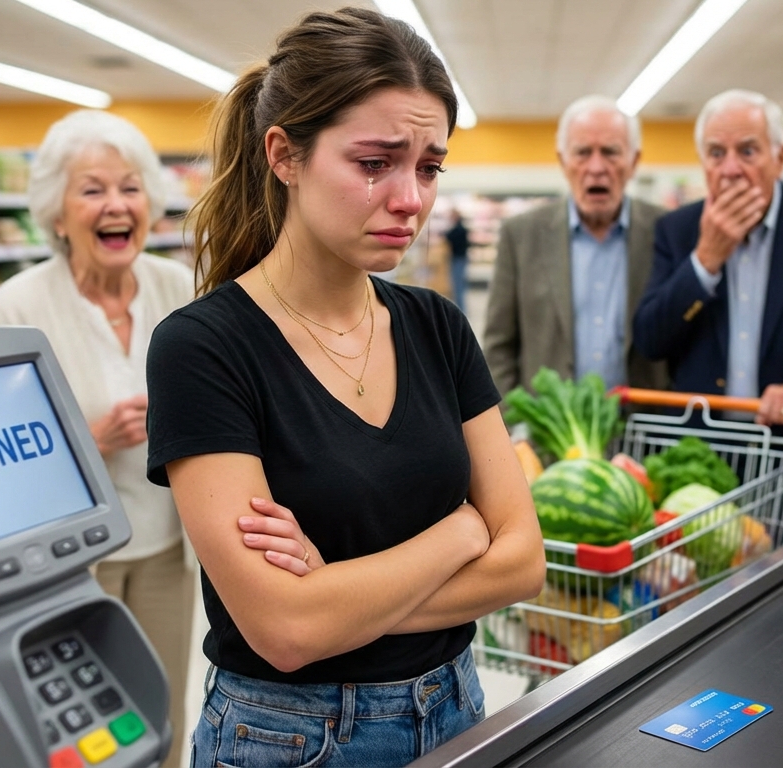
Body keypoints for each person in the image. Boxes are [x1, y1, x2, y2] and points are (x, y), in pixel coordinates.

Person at [144, 8, 545, 768]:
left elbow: (524, 562)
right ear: (284, 156)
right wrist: (462, 534)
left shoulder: (437, 326)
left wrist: (334, 596)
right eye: (374, 162)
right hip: (288, 737)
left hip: (457, 709)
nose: (410, 199)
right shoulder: (203, 349)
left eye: (428, 167)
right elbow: (284, 632)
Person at [0, 110, 195, 768]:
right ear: (57, 211)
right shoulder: (18, 305)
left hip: (168, 545)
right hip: (70, 560)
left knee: (161, 711)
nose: (116, 205)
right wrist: (91, 441)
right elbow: (1, 450)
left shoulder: (179, 286)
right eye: (93, 189)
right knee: (87, 725)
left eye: (130, 187)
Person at [633, 89, 783, 525]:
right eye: (716, 153)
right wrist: (705, 260)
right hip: (700, 467)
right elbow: (651, 339)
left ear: (779, 157)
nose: (731, 168)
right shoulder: (677, 229)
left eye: (747, 151)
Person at [482, 94, 666, 395]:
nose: (596, 167)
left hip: (642, 421)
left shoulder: (665, 231)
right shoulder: (521, 236)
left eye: (610, 152)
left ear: (634, 162)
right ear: (563, 161)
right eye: (582, 152)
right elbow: (498, 346)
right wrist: (510, 417)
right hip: (545, 422)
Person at [445, 209, 471, 308]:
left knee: (458, 285)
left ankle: (460, 307)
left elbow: (449, 236)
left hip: (458, 259)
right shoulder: (462, 229)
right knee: (459, 284)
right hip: (461, 258)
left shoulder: (458, 229)